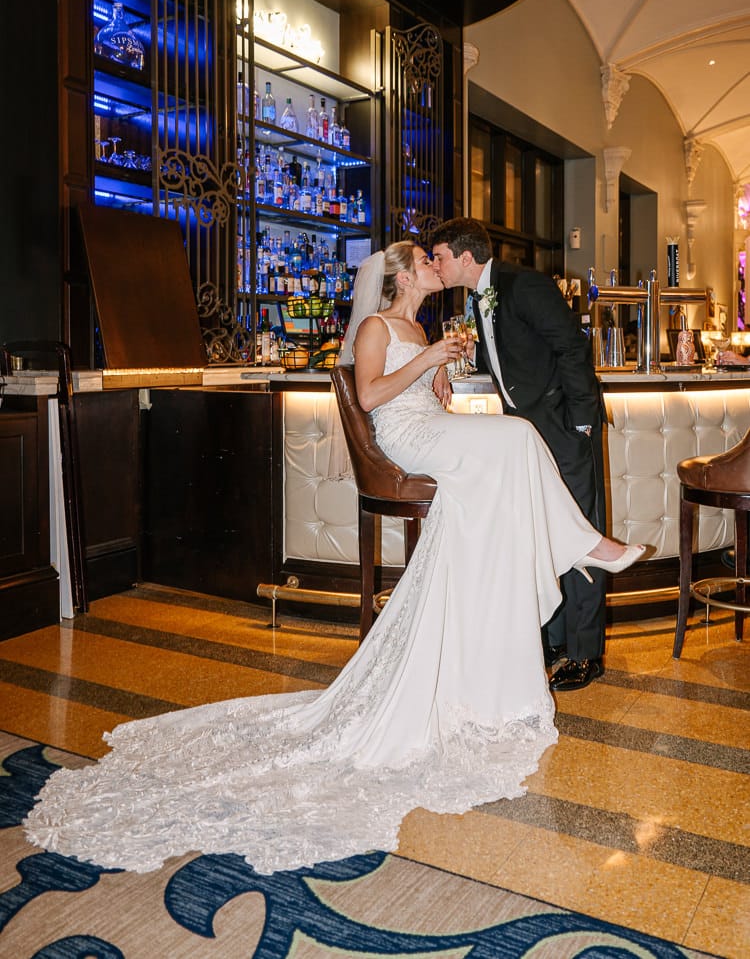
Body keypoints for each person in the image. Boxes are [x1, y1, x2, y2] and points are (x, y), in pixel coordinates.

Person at [24, 242, 644, 877]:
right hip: (404, 438)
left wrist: (439, 376)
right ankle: (585, 546)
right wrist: (428, 362)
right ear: (403, 276)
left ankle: (538, 585)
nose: (434, 267)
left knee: (505, 460)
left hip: (430, 426)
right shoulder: (377, 326)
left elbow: (428, 395)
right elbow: (371, 398)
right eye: (425, 262)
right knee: (518, 436)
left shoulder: (422, 327)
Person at [431, 218, 617, 691]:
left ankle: (585, 653)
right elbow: (503, 358)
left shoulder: (524, 285)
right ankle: (553, 640)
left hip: (563, 426)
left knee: (581, 532)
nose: (436, 265)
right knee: (543, 533)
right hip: (525, 434)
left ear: (465, 257)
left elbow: (572, 349)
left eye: (440, 257)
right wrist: (446, 369)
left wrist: (581, 423)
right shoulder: (477, 298)